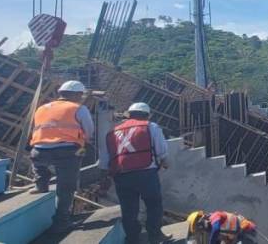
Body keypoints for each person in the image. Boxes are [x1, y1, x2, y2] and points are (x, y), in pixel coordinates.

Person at [29, 80, 94, 233]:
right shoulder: (78, 108)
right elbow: (89, 130)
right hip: (67, 151)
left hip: (39, 150)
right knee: (66, 187)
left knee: (40, 167)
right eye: (81, 95)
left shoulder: (42, 108)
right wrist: (84, 142)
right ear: (77, 94)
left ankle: (40, 185)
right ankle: (61, 222)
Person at [102, 102, 170, 244]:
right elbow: (162, 151)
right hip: (146, 174)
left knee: (129, 210)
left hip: (122, 175)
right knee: (153, 204)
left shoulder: (112, 131)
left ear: (129, 114)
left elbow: (105, 158)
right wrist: (164, 162)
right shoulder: (151, 127)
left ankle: (133, 238)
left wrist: (106, 176)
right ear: (147, 115)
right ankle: (154, 235)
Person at [187, 210, 258, 244]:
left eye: (198, 228)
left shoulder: (214, 216)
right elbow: (219, 237)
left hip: (246, 229)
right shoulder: (211, 228)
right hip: (239, 235)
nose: (201, 230)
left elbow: (216, 229)